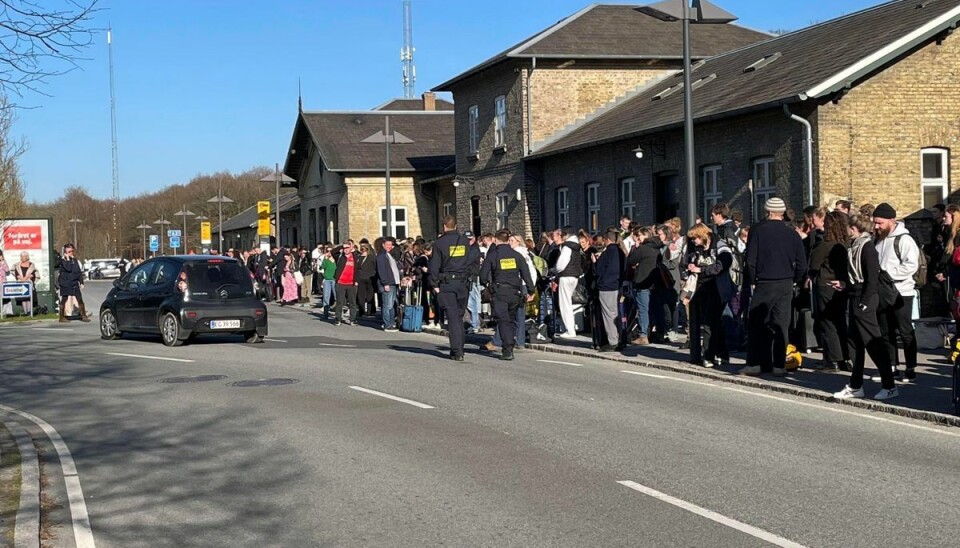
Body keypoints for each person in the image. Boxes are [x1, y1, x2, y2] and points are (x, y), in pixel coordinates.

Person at [834, 214, 898, 401]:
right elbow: (857, 277)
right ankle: (855, 385)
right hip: (855, 294)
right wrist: (845, 285)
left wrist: (865, 301)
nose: (846, 230)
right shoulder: (854, 246)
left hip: (865, 299)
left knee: (873, 343)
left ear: (854, 228)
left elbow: (872, 277)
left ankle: (889, 385)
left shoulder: (867, 247)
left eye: (848, 227)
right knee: (854, 343)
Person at [742, 197, 807, 376]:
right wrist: (794, 279)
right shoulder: (793, 234)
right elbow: (802, 264)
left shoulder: (759, 232)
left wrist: (753, 280)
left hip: (764, 281)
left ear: (769, 212)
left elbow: (750, 260)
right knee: (781, 325)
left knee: (757, 323)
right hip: (785, 282)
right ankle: (779, 365)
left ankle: (755, 363)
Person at [872, 202, 920, 380]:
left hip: (902, 291)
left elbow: (911, 265)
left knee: (905, 330)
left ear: (891, 220)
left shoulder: (904, 240)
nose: (876, 226)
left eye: (880, 223)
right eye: (875, 222)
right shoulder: (878, 239)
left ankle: (910, 367)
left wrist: (888, 275)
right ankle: (891, 366)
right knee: (886, 330)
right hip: (882, 292)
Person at [429, 215, 481, 361]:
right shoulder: (464, 241)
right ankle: (459, 348)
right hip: (463, 283)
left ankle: (457, 351)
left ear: (444, 226)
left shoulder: (439, 243)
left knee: (452, 318)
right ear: (456, 226)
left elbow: (434, 266)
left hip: (447, 284)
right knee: (458, 316)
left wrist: (434, 284)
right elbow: (473, 259)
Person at [480, 229, 535, 360]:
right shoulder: (516, 255)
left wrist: (487, 285)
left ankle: (508, 349)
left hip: (500, 292)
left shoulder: (493, 255)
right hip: (515, 292)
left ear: (496, 240)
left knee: (503, 321)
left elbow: (483, 275)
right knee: (510, 320)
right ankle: (509, 346)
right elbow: (526, 274)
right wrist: (531, 290)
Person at [685, 223, 734, 367]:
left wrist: (700, 270)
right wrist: (691, 266)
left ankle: (708, 356)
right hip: (701, 290)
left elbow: (721, 266)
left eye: (695, 239)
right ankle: (723, 354)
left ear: (702, 236)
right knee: (715, 323)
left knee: (709, 323)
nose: (694, 242)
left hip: (717, 289)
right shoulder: (698, 249)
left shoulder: (720, 246)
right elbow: (690, 260)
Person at [809, 211, 851, 370]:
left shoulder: (825, 245)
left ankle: (832, 359)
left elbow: (813, 266)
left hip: (826, 285)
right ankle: (844, 358)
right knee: (840, 322)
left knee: (827, 323)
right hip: (843, 285)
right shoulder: (846, 245)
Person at [625, 227, 661, 345]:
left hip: (642, 282)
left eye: (639, 236)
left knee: (642, 310)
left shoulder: (643, 248)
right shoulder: (657, 248)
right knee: (651, 309)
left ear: (645, 236)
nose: (638, 238)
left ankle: (643, 335)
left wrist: (636, 247)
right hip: (654, 283)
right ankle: (653, 333)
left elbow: (630, 260)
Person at [593, 229, 624, 352]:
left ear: (607, 240)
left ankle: (612, 341)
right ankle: (619, 339)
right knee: (616, 313)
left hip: (606, 286)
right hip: (617, 285)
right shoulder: (621, 252)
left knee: (608, 314)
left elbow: (599, 270)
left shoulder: (607, 253)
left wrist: (595, 262)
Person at [551, 226, 582, 339]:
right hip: (575, 276)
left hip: (565, 276)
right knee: (569, 302)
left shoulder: (567, 246)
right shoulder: (576, 246)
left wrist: (554, 270)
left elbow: (561, 265)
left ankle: (570, 329)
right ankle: (570, 327)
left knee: (565, 304)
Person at [58, 244, 90, 322]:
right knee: (64, 300)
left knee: (80, 299)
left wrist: (81, 282)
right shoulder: (63, 261)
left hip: (74, 284)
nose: (71, 253)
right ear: (65, 252)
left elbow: (78, 272)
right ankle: (62, 317)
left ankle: (83, 315)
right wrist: (68, 259)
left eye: (72, 251)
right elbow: (68, 269)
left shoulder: (75, 260)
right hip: (66, 283)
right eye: (69, 252)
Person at [377, 237, 401, 332]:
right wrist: (385, 283)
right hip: (388, 283)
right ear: (383, 245)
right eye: (387, 244)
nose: (389, 246)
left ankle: (391, 323)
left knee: (391, 304)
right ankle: (388, 325)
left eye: (390, 245)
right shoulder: (382, 256)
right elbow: (381, 270)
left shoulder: (388, 254)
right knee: (387, 305)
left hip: (393, 283)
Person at [333, 240, 360, 326]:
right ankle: (338, 319)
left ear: (351, 248)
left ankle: (352, 319)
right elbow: (333, 252)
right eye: (344, 248)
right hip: (340, 283)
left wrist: (356, 281)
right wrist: (341, 246)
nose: (346, 249)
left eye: (347, 248)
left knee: (352, 302)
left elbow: (358, 269)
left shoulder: (355, 257)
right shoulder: (340, 256)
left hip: (351, 283)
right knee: (339, 302)